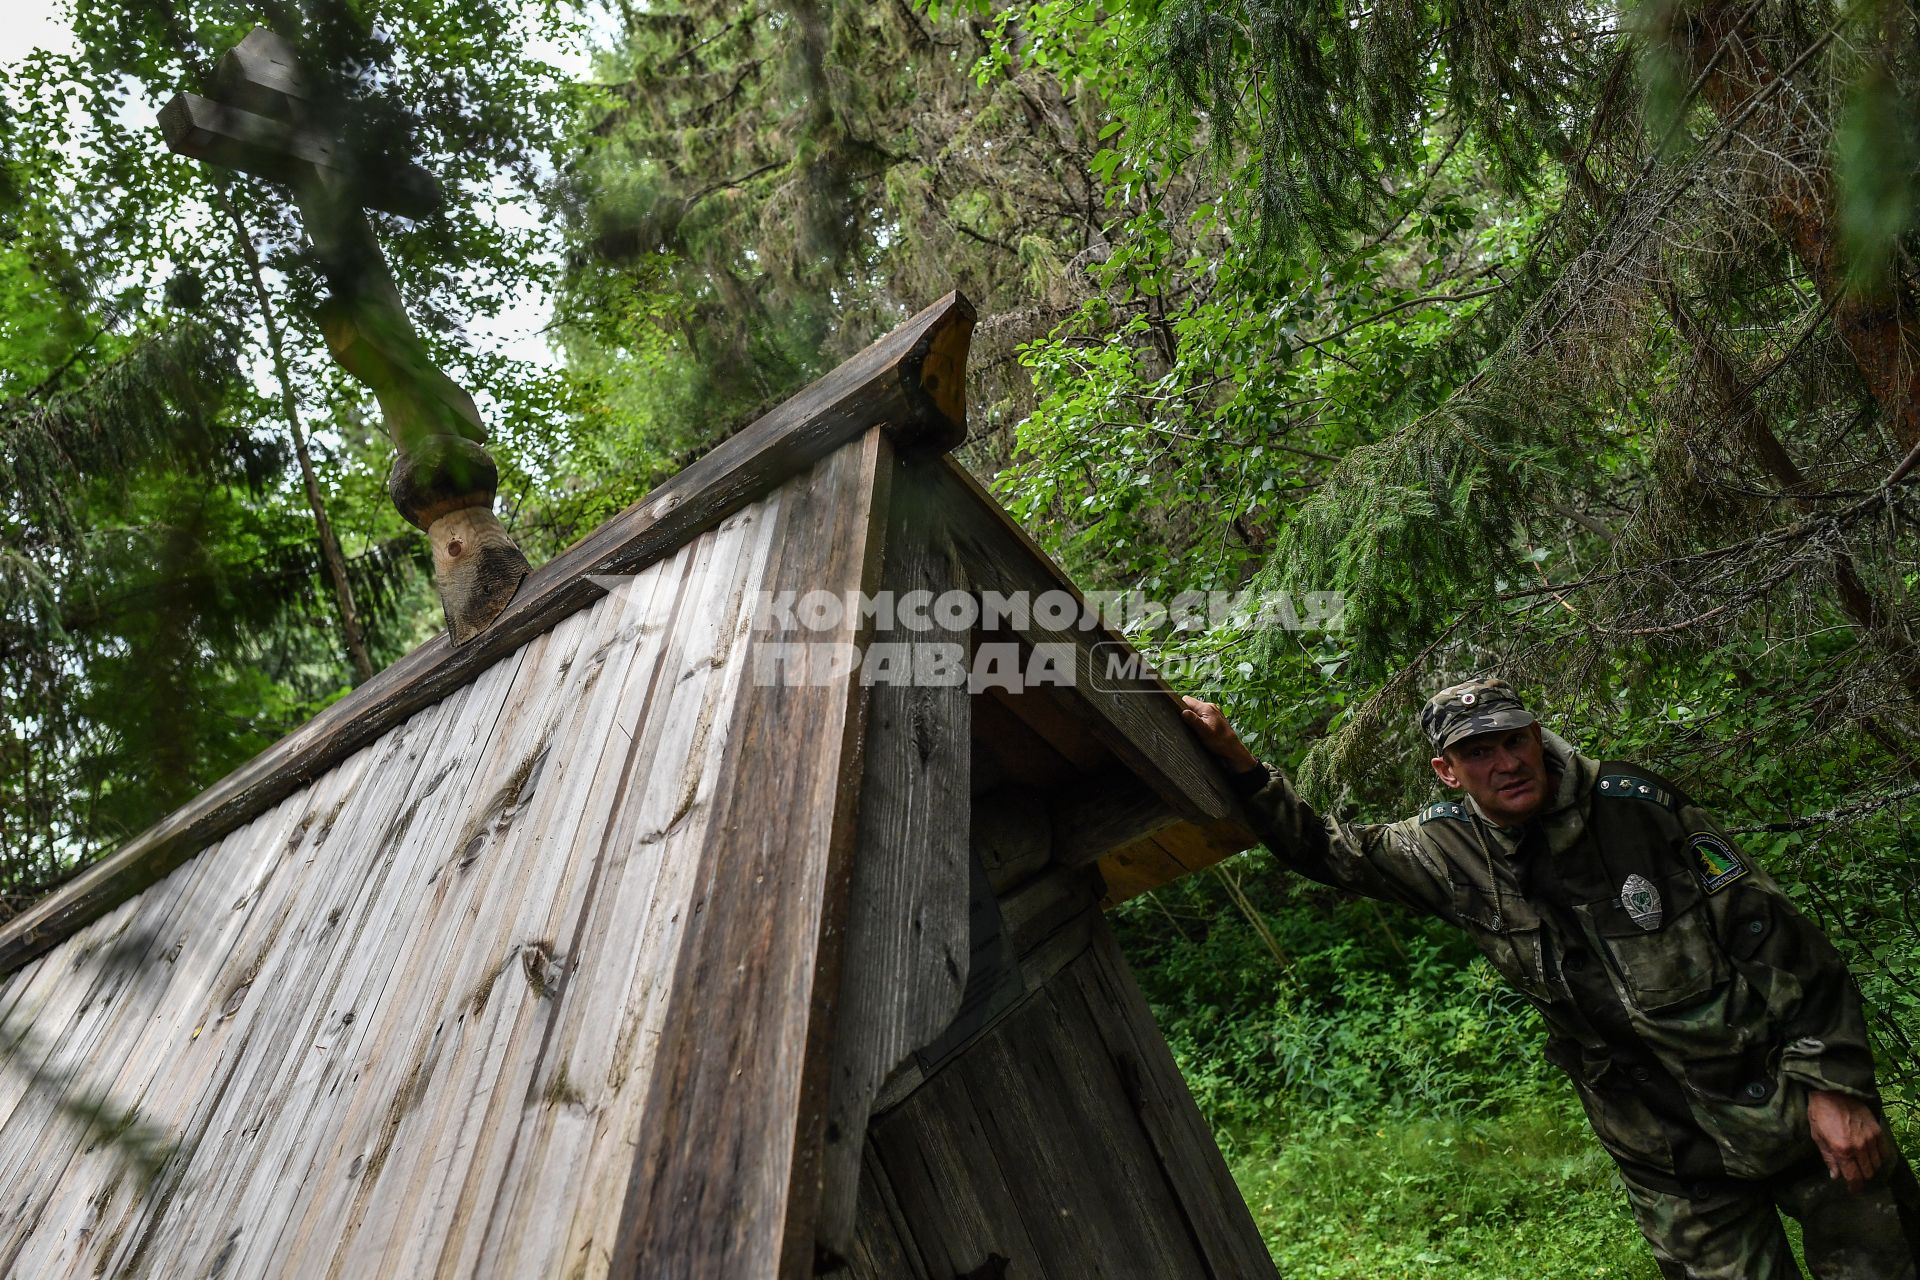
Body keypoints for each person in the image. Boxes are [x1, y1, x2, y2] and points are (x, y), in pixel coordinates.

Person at [1180, 677, 1919, 1279]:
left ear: (1538, 737)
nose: (1506, 762)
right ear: (1447, 770)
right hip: (1664, 1152)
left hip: (1788, 1110)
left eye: (1514, 739)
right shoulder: (1444, 849)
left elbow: (1783, 944)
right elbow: (1322, 848)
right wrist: (1239, 764)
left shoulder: (1639, 809)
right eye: (1478, 752)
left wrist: (1839, 1089)